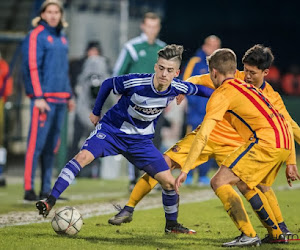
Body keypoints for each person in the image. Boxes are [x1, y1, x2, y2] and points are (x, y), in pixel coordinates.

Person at [108, 45, 300, 243]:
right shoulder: (236, 78)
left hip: (239, 142)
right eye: (245, 71)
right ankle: (129, 208)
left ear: (265, 73)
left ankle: (271, 231)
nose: (247, 76)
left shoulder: (268, 94)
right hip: (215, 135)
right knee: (162, 164)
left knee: (253, 184)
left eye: (252, 73)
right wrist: (183, 88)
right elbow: (199, 80)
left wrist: (292, 160)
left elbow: (289, 125)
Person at [36, 44, 214, 234]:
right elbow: (107, 84)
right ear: (155, 67)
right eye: (161, 68)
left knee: (170, 183)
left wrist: (227, 98)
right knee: (82, 158)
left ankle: (171, 226)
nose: (164, 73)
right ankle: (49, 201)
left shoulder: (178, 87)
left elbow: (205, 91)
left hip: (140, 142)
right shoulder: (136, 82)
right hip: (112, 132)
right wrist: (96, 113)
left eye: (169, 70)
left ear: (176, 72)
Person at [175, 48, 298, 247]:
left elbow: (203, 135)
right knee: (245, 182)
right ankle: (277, 232)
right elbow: (286, 122)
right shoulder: (248, 86)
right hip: (282, 139)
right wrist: (291, 158)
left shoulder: (223, 93)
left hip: (265, 142)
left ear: (214, 72)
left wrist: (186, 169)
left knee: (219, 181)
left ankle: (249, 234)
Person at [22, 0, 75, 201]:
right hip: (44, 101)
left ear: (61, 15)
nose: (53, 15)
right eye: (49, 12)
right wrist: (37, 96)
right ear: (42, 14)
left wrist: (69, 95)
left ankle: (46, 189)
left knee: (52, 147)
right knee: (36, 145)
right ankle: (28, 189)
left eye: (56, 12)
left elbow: (64, 70)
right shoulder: (36, 35)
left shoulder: (62, 37)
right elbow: (31, 67)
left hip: (61, 100)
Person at [113, 12, 166, 190]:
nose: (152, 30)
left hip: (157, 104)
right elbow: (118, 72)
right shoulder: (132, 47)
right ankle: (133, 179)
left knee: (155, 140)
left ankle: (153, 177)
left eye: (155, 26)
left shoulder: (163, 49)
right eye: (149, 26)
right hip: (135, 104)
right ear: (143, 26)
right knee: (134, 140)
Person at [69, 41, 113, 178]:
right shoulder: (79, 66)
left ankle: (96, 171)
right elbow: (76, 86)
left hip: (99, 110)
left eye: (96, 52)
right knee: (76, 140)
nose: (93, 55)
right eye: (91, 52)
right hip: (82, 108)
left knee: (98, 141)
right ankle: (72, 170)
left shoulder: (104, 68)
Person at [182, 35, 221, 186]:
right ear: (205, 46)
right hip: (195, 111)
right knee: (191, 142)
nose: (213, 49)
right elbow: (186, 81)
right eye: (211, 45)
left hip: (213, 111)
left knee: (208, 143)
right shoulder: (196, 62)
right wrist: (192, 102)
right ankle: (189, 174)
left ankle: (203, 174)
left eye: (216, 46)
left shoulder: (222, 65)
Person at [0, 52, 13, 187]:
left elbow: (7, 84)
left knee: (1, 139)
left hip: (0, 101)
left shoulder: (3, 66)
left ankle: (1, 172)